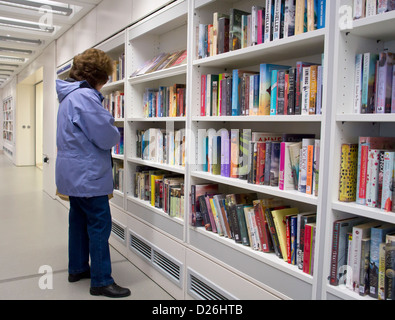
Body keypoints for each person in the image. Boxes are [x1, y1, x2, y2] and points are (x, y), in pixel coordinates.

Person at [55, 48, 131, 298]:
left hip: (71, 174)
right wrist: (111, 123)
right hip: (88, 176)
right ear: (99, 76)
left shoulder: (67, 97)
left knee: (77, 221)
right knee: (99, 226)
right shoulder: (86, 97)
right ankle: (101, 281)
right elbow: (107, 137)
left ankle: (77, 268)